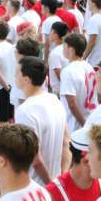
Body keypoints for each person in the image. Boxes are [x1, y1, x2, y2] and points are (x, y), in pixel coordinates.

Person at [14, 56, 68, 186]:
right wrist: (60, 180)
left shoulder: (25, 111)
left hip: (36, 185)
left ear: (26, 79)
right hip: (55, 179)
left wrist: (52, 187)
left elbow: (34, 158)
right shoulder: (54, 100)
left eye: (17, 73)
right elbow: (66, 142)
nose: (14, 76)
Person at [60, 32, 98, 132]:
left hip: (75, 125)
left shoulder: (68, 71)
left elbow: (71, 104)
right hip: (90, 117)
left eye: (64, 46)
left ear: (71, 50)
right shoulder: (89, 66)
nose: (63, 49)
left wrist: (84, 125)